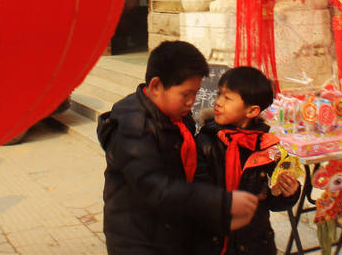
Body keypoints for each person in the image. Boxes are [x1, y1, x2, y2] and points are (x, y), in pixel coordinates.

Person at [97, 41, 259, 255]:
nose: (192, 101)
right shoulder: (133, 127)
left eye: (196, 93)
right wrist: (221, 203)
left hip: (169, 231)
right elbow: (155, 187)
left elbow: (188, 175)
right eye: (185, 94)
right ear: (155, 86)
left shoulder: (177, 119)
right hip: (139, 240)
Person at [195, 66, 301, 255]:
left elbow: (273, 203)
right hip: (215, 242)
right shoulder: (205, 143)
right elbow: (199, 195)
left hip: (256, 243)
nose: (218, 102)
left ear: (252, 111)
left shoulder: (267, 147)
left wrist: (288, 193)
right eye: (219, 95)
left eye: (227, 98)